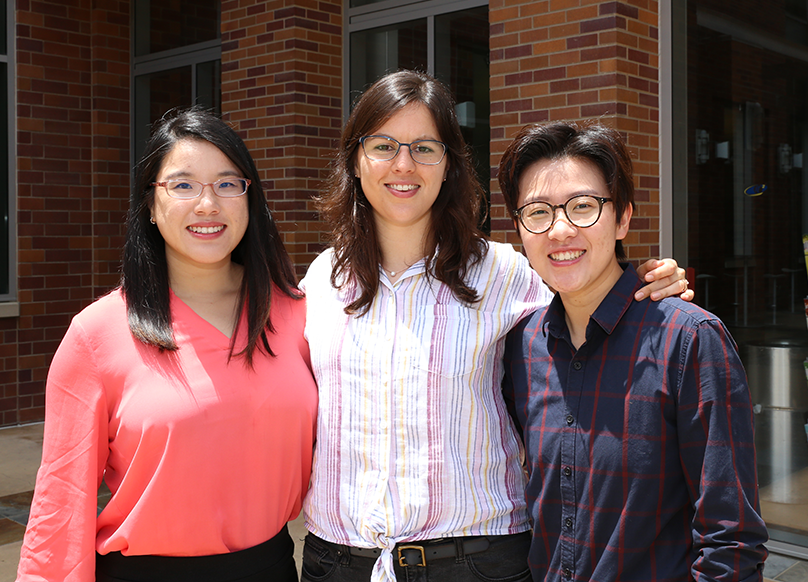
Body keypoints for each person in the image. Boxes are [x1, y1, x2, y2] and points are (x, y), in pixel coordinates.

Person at [299, 70, 693, 582]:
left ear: (449, 166)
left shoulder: (504, 272)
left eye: (425, 148)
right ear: (355, 159)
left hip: (474, 562)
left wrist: (650, 284)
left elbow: (588, 293)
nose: (403, 164)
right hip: (338, 561)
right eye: (383, 145)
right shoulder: (321, 280)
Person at [16, 108, 318, 582]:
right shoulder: (97, 334)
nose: (207, 204)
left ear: (249, 198)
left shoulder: (298, 314)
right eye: (182, 185)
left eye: (227, 183)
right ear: (151, 207)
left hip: (271, 567)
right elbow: (62, 503)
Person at [499, 121, 768, 581]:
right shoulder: (522, 348)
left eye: (583, 206)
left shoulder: (688, 341)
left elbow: (732, 540)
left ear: (623, 217)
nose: (560, 230)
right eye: (538, 212)